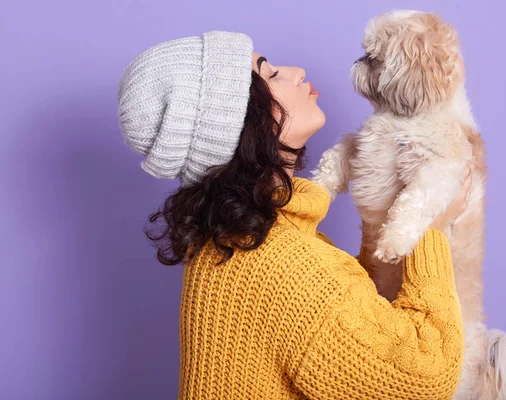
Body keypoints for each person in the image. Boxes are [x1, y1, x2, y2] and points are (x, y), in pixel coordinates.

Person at [118, 31, 470, 400]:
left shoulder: (249, 240)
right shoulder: (276, 263)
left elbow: (357, 319)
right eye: (270, 75)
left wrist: (381, 224)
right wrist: (428, 229)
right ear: (240, 122)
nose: (297, 72)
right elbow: (426, 378)